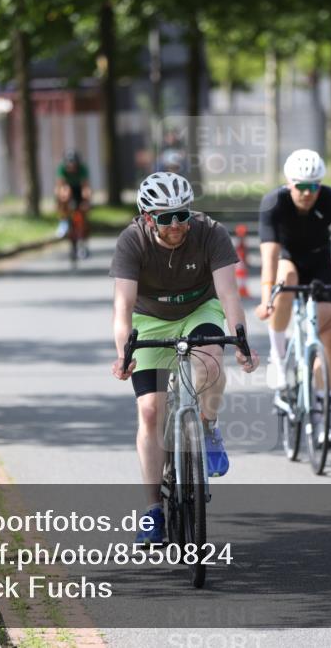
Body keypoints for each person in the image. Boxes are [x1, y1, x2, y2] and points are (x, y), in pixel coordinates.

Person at [110, 172, 259, 545]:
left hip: (199, 309)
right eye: (165, 218)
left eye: (182, 215)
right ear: (148, 218)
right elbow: (123, 307)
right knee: (149, 411)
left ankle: (207, 427)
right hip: (149, 319)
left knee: (210, 363)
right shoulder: (131, 241)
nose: (176, 225)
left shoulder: (211, 232)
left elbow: (228, 296)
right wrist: (123, 352)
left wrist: (240, 341)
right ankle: (153, 511)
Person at [255, 149, 331, 449]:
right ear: (289, 184)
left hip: (320, 264)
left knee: (328, 334)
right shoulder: (274, 203)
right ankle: (278, 357)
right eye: (300, 186)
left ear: (321, 185)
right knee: (286, 279)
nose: (307, 193)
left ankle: (322, 414)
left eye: (313, 187)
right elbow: (269, 255)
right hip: (288, 259)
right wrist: (267, 298)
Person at [55, 150, 92, 256]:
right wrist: (60, 201)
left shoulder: (82, 169)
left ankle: (83, 240)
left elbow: (86, 187)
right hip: (68, 190)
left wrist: (86, 202)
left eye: (73, 166)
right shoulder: (62, 169)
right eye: (69, 166)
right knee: (65, 192)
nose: (71, 168)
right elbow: (60, 186)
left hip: (79, 190)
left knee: (84, 208)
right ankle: (63, 221)